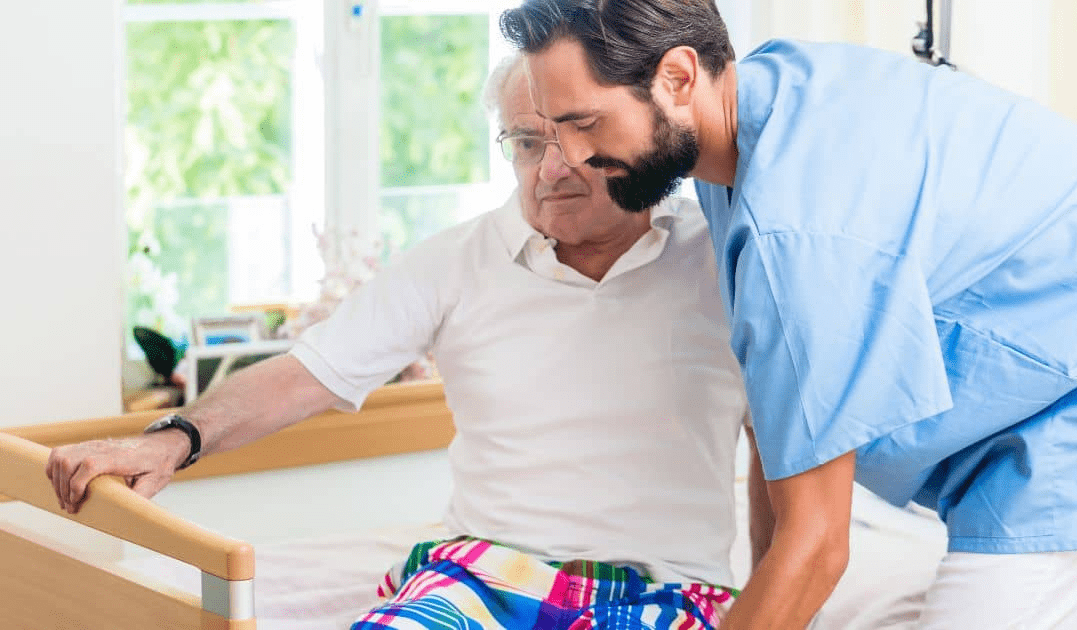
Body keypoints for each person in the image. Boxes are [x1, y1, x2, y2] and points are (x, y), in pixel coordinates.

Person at [46, 56, 749, 629]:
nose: (550, 167)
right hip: (483, 573)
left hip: (667, 590)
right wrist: (173, 438)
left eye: (572, 136)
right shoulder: (456, 260)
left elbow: (786, 448)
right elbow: (302, 374)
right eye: (527, 142)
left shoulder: (720, 257)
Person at [499, 1, 1077, 628]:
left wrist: (778, 594)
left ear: (679, 77)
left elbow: (819, 545)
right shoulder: (755, 111)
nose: (570, 158)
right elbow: (781, 422)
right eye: (553, 129)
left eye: (586, 124)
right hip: (1017, 423)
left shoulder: (795, 234)